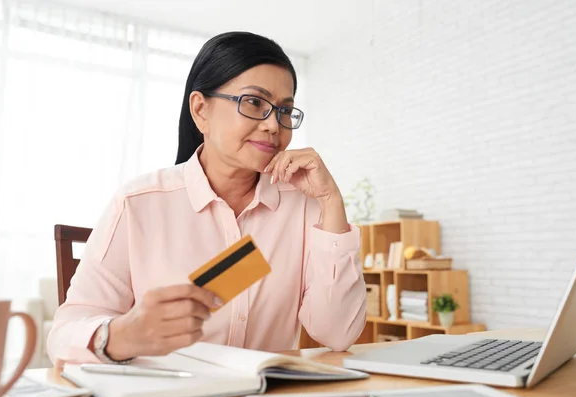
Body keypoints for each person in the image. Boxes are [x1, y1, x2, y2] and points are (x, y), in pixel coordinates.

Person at [47, 31, 367, 368]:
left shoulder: (302, 206)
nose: (274, 125)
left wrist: (331, 202)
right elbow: (63, 336)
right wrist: (124, 334)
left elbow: (338, 335)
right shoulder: (138, 203)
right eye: (255, 102)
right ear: (201, 110)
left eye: (284, 110)